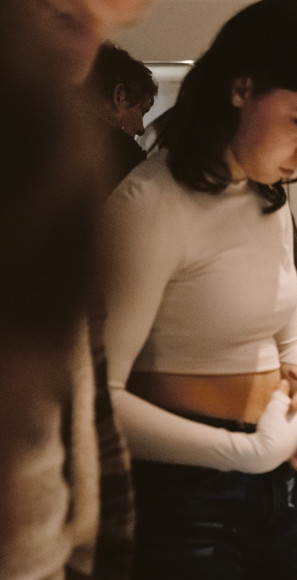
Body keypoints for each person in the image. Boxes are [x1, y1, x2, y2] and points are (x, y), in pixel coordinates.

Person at [101, 1, 297, 577]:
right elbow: (98, 397)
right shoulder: (149, 205)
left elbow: (289, 345)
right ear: (241, 88)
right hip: (183, 501)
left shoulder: (267, 197)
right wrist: (243, 452)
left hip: (275, 487)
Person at [1, 0, 151, 578]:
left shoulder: (53, 147)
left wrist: (103, 548)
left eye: (107, 26)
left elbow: (85, 394)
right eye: (64, 16)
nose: (85, 56)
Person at [85, 42, 158, 184]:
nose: (141, 129)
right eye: (141, 111)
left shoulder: (49, 138)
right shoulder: (122, 151)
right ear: (120, 96)